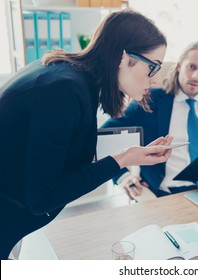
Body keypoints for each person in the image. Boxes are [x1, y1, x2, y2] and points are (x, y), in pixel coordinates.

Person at [0, 9, 174, 259]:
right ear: (123, 57)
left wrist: (127, 156)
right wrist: (122, 160)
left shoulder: (70, 78)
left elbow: (55, 157)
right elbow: (42, 198)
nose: (155, 79)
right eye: (153, 67)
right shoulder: (64, 91)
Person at [102, 42, 198, 197]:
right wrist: (123, 176)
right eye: (191, 67)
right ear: (179, 67)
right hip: (165, 191)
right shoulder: (149, 99)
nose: (196, 75)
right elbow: (104, 136)